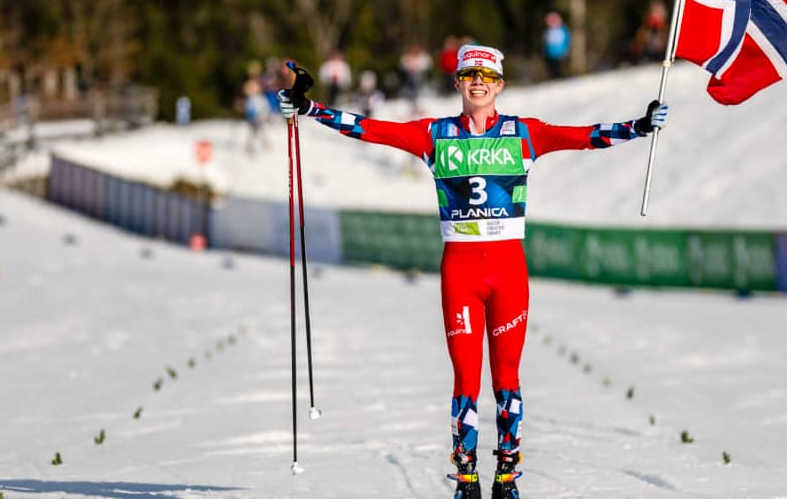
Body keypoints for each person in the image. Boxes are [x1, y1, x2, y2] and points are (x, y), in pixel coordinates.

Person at [277, 44, 669, 499]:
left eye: (486, 76)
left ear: (500, 85)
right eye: (468, 76)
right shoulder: (435, 134)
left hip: (508, 274)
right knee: (465, 380)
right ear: (457, 83)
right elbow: (372, 129)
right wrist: (311, 108)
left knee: (507, 379)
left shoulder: (525, 133)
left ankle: (507, 476)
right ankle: (466, 478)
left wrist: (639, 126)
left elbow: (584, 136)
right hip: (460, 274)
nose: (477, 83)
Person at [542, 11, 571, 78]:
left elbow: (566, 40)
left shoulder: (562, 29)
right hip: (550, 53)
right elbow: (545, 42)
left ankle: (560, 77)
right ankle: (554, 77)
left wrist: (565, 49)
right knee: (552, 68)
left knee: (559, 67)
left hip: (560, 52)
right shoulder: (548, 31)